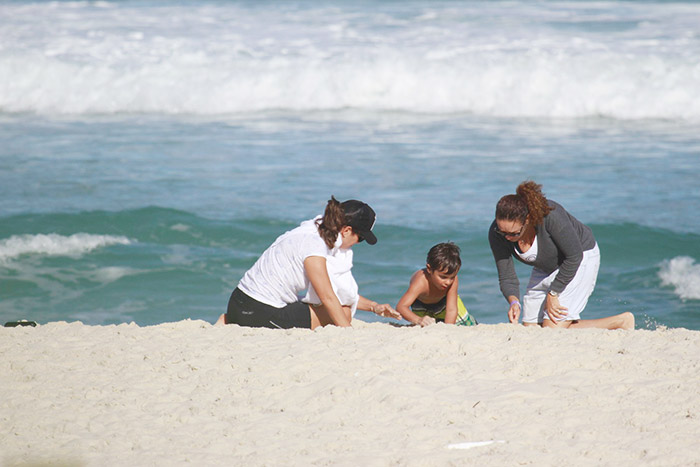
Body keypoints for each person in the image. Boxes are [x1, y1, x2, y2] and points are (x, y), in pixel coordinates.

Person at [217, 197, 400, 329]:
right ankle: (239, 321)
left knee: (338, 307)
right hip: (258, 312)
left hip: (238, 302)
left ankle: (230, 320)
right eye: (360, 238)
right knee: (343, 313)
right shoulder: (316, 247)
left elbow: (337, 293)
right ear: (346, 230)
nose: (358, 244)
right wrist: (348, 334)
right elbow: (329, 297)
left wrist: (374, 307)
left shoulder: (313, 228)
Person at [488, 181, 634, 329]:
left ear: (528, 220)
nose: (506, 237)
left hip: (579, 258)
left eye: (514, 234)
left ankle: (620, 321)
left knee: (551, 330)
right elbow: (507, 276)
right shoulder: (496, 233)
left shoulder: (551, 216)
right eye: (503, 232)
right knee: (531, 329)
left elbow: (574, 256)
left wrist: (553, 293)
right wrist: (514, 302)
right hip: (546, 266)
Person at [396, 242, 477, 327]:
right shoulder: (421, 282)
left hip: (444, 304)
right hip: (421, 307)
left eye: (452, 277)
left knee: (467, 325)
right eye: (443, 277)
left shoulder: (453, 281)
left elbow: (451, 310)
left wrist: (448, 329)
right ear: (429, 269)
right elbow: (401, 307)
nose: (448, 282)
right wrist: (419, 320)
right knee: (424, 328)